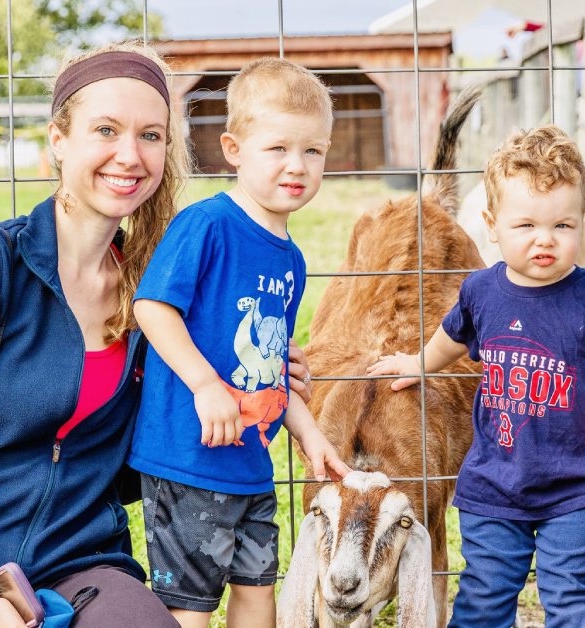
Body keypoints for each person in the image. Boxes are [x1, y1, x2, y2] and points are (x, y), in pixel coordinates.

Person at [0, 43, 315, 627]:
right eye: (106, 129)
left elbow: (162, 433)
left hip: (84, 561)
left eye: (151, 136)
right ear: (58, 140)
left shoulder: (158, 295)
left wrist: (259, 376)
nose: (129, 155)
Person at [367, 126, 585, 628]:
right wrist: (416, 364)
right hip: (495, 483)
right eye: (526, 226)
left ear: (582, 224)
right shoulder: (481, 291)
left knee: (573, 595)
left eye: (562, 226)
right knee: (485, 593)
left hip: (579, 487)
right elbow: (453, 337)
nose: (545, 239)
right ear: (492, 225)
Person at [129, 58, 351, 628]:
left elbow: (272, 368)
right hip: (189, 456)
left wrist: (312, 438)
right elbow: (151, 308)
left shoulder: (291, 260)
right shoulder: (208, 225)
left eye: (313, 151)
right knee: (190, 605)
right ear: (234, 148)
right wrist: (205, 385)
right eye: (277, 148)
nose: (296, 166)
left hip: (251, 464)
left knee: (258, 591)